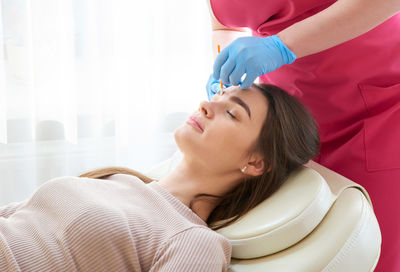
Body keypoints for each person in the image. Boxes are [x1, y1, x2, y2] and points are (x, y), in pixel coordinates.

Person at [0, 84, 319, 271]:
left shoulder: (193, 242)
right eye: (216, 97)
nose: (207, 106)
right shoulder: (120, 179)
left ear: (256, 162)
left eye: (232, 112)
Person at [205, 1, 400, 271]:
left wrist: (282, 45)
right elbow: (226, 23)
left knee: (368, 251)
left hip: (374, 108)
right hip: (289, 122)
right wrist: (227, 64)